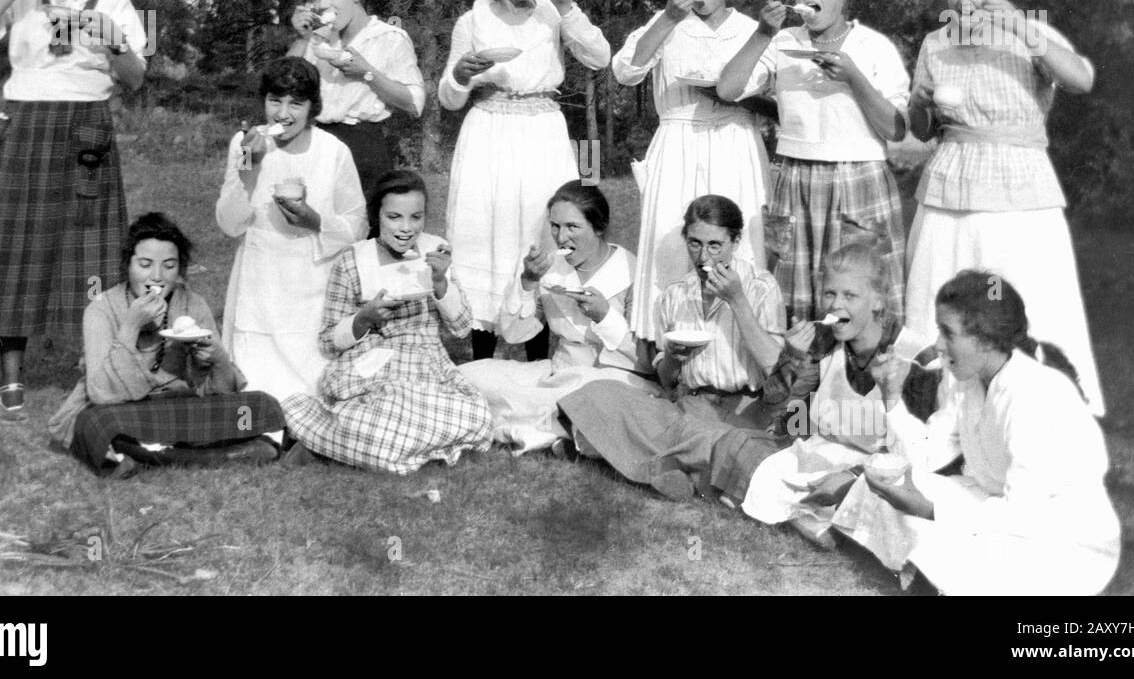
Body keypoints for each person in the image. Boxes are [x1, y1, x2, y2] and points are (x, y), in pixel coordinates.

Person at [0, 0, 148, 420]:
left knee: (90, 252)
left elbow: (135, 79)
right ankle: (12, 377)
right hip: (22, 122)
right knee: (14, 247)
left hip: (85, 124)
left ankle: (94, 367)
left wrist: (113, 43)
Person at [903, 0, 1103, 416]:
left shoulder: (1030, 33)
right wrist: (920, 103)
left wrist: (1019, 26)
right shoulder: (936, 44)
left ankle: (1037, 405)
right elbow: (921, 130)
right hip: (951, 183)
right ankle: (936, 403)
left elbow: (1081, 81)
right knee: (939, 287)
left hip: (1018, 190)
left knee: (1021, 293)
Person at [832, 271, 1120, 595]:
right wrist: (892, 398)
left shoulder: (1035, 396)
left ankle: (925, 570)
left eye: (948, 333)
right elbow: (927, 454)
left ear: (985, 341)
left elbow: (1023, 516)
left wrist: (927, 509)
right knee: (892, 486)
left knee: (956, 536)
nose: (938, 345)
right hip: (994, 501)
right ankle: (920, 566)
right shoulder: (966, 380)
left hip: (1060, 536)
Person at [439, 0, 611, 359]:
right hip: (488, 133)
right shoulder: (472, 20)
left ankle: (537, 357)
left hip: (542, 133)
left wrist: (569, 6)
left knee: (540, 233)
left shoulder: (553, 13)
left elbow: (600, 57)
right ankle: (482, 361)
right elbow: (449, 97)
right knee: (486, 234)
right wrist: (461, 74)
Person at [717, 0, 909, 324]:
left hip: (858, 180)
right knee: (794, 295)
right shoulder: (783, 41)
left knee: (858, 287)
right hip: (795, 180)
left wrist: (853, 78)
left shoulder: (872, 47)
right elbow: (727, 88)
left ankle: (863, 374)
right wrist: (762, 33)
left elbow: (896, 128)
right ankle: (803, 375)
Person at [558, 195, 790, 501]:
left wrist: (737, 301)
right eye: (694, 243)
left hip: (745, 408)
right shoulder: (674, 296)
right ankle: (691, 467)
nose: (703, 256)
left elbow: (776, 367)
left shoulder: (760, 287)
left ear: (735, 241)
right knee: (597, 394)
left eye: (714, 245)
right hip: (691, 407)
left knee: (722, 439)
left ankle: (666, 463)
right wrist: (673, 358)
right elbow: (667, 380)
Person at [738, 242, 951, 547]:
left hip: (881, 473)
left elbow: (922, 453)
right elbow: (778, 414)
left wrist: (852, 477)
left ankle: (816, 518)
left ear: (878, 301)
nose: (836, 305)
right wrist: (791, 360)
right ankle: (817, 519)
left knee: (889, 505)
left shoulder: (915, 357)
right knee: (769, 468)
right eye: (830, 293)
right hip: (824, 456)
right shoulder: (821, 342)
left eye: (850, 295)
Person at [612, 0, 771, 350]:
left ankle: (739, 348)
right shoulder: (667, 23)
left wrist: (727, 93)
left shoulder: (754, 29)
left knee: (740, 243)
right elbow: (626, 72)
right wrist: (667, 18)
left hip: (736, 141)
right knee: (673, 242)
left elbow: (770, 98)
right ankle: (665, 350)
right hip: (679, 142)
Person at [281, 170, 494, 473]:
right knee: (385, 426)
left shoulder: (435, 250)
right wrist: (363, 319)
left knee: (480, 420)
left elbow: (461, 328)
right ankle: (356, 438)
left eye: (416, 217)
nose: (406, 228)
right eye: (394, 217)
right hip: (374, 365)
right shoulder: (353, 260)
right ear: (376, 216)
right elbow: (328, 342)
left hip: (426, 364)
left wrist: (441, 282)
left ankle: (336, 442)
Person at [47, 213, 284, 477]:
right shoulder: (101, 309)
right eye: (145, 264)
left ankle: (146, 455)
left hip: (175, 407)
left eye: (169, 266)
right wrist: (130, 327)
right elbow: (102, 394)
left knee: (260, 403)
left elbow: (220, 394)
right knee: (102, 422)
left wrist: (218, 359)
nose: (157, 276)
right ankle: (223, 453)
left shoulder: (192, 304)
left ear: (180, 269)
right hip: (120, 409)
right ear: (128, 264)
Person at [458, 181, 658, 453]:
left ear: (599, 228)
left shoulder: (632, 272)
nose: (561, 237)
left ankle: (537, 425)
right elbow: (514, 335)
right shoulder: (551, 269)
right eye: (555, 226)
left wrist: (605, 316)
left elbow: (648, 362)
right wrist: (528, 282)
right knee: (470, 375)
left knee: (588, 396)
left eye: (572, 227)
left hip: (611, 379)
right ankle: (553, 428)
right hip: (560, 372)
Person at [216, 57, 367, 405]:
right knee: (257, 390)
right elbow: (229, 222)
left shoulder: (333, 152)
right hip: (260, 278)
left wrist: (316, 222)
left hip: (312, 280)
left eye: (295, 103)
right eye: (275, 101)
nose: (283, 114)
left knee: (311, 392)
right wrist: (248, 166)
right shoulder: (245, 143)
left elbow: (358, 226)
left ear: (313, 106)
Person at [287, 0, 425, 195]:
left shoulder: (389, 37)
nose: (322, 5)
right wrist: (302, 38)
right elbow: (284, 86)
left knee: (362, 228)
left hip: (364, 150)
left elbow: (414, 104)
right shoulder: (319, 37)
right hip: (317, 143)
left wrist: (367, 73)